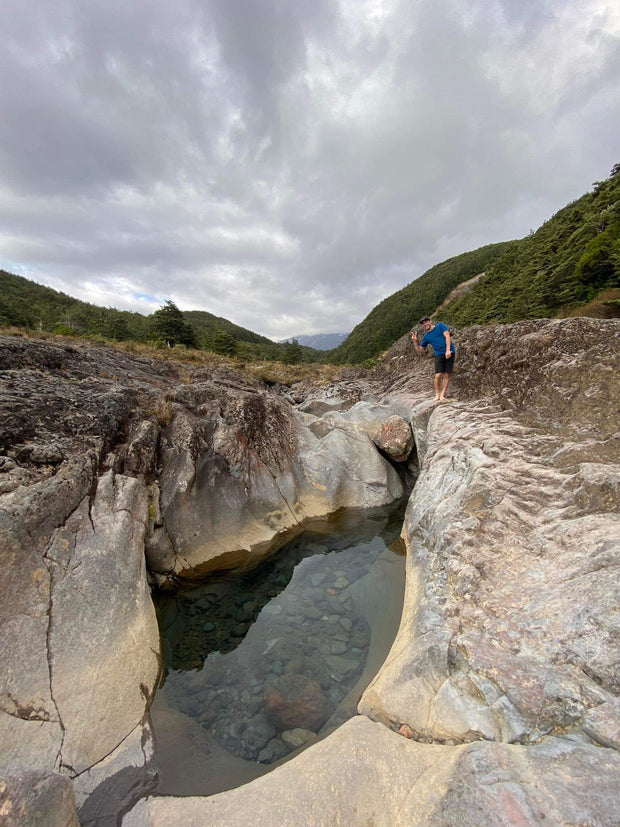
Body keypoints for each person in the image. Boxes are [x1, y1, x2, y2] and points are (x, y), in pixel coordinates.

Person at [411, 316, 456, 401]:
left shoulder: (440, 326)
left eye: (426, 322)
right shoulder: (427, 336)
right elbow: (420, 350)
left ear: (430, 321)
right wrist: (415, 341)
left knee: (447, 374)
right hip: (439, 354)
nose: (425, 324)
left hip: (450, 352)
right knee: (438, 375)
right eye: (423, 323)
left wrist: (448, 350)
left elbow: (447, 337)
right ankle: (437, 394)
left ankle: (442, 395)